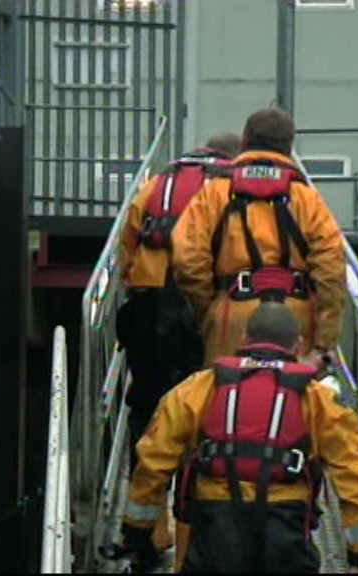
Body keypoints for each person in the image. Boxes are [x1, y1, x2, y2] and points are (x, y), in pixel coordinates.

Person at [118, 303, 358, 573]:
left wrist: (136, 532)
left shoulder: (198, 388)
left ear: (244, 338)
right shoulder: (319, 400)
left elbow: (153, 460)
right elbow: (353, 472)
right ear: (298, 345)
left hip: (215, 527)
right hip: (285, 528)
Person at [116, 132, 242, 556]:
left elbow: (127, 245)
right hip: (200, 304)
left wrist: (135, 289)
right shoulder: (228, 189)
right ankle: (194, 527)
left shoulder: (155, 185)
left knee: (147, 409)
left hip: (147, 305)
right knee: (203, 412)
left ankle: (151, 528)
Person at [171, 107, 346, 374]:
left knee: (226, 392)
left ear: (245, 141)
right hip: (295, 320)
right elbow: (332, 267)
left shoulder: (215, 192)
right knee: (294, 395)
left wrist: (211, 308)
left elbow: (187, 258)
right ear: (289, 146)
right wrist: (325, 340)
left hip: (232, 315)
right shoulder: (307, 198)